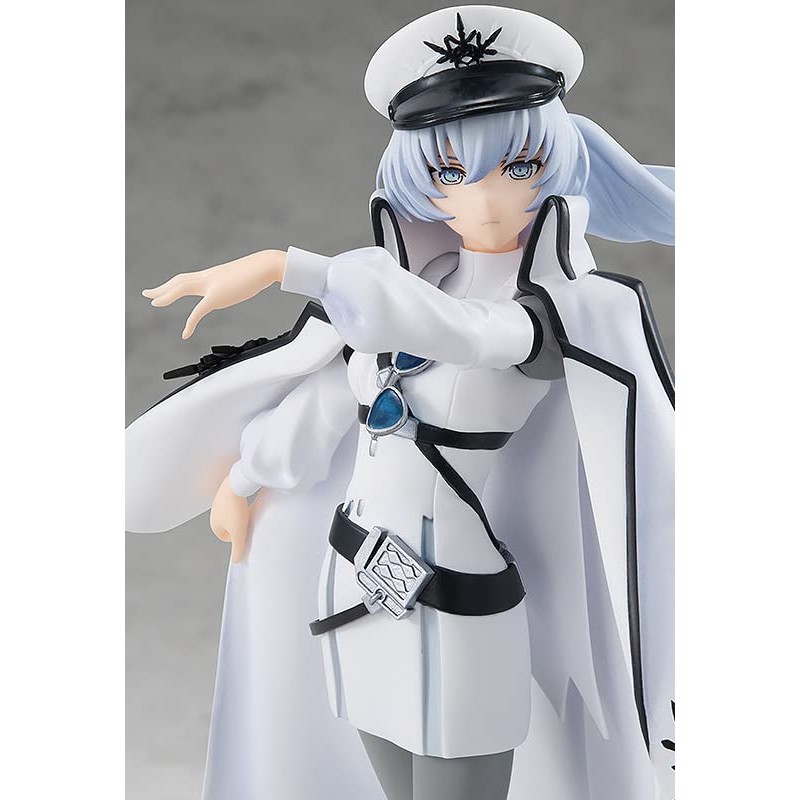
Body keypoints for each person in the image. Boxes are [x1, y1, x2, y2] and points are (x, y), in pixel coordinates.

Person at [127, 7, 675, 799]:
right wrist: (244, 479)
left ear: (558, 163)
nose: (486, 200)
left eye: (519, 165)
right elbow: (341, 397)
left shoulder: (561, 311)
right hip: (352, 577)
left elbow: (465, 335)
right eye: (451, 173)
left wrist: (292, 267)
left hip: (457, 596)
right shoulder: (422, 279)